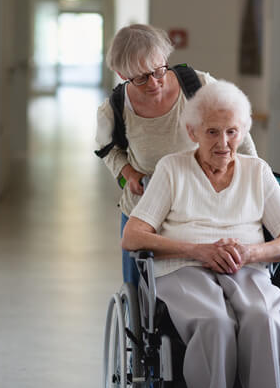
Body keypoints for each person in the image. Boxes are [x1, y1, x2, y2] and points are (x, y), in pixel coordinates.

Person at [122, 80, 280, 388]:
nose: (223, 142)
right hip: (183, 269)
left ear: (243, 132)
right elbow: (133, 235)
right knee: (214, 322)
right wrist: (198, 250)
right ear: (192, 132)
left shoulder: (257, 171)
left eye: (232, 132)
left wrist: (251, 252)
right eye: (212, 132)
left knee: (263, 318)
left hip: (247, 267)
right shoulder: (172, 168)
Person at [95, 24, 257, 285]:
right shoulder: (113, 109)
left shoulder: (200, 87)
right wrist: (128, 175)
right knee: (141, 292)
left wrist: (253, 178)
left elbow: (239, 137)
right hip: (146, 210)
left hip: (201, 206)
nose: (154, 83)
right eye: (140, 77)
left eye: (159, 71)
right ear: (120, 73)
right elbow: (109, 150)